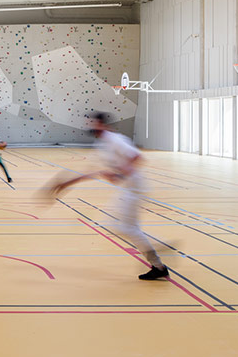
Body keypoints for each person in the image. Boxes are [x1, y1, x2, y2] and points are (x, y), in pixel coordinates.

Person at [47, 112, 167, 280]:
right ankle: (156, 257)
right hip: (127, 189)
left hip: (134, 188)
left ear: (102, 124)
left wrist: (121, 175)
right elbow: (92, 171)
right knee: (118, 225)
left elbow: (137, 157)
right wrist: (65, 184)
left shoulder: (115, 140)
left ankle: (158, 261)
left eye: (93, 123)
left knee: (126, 228)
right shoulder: (103, 145)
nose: (90, 126)